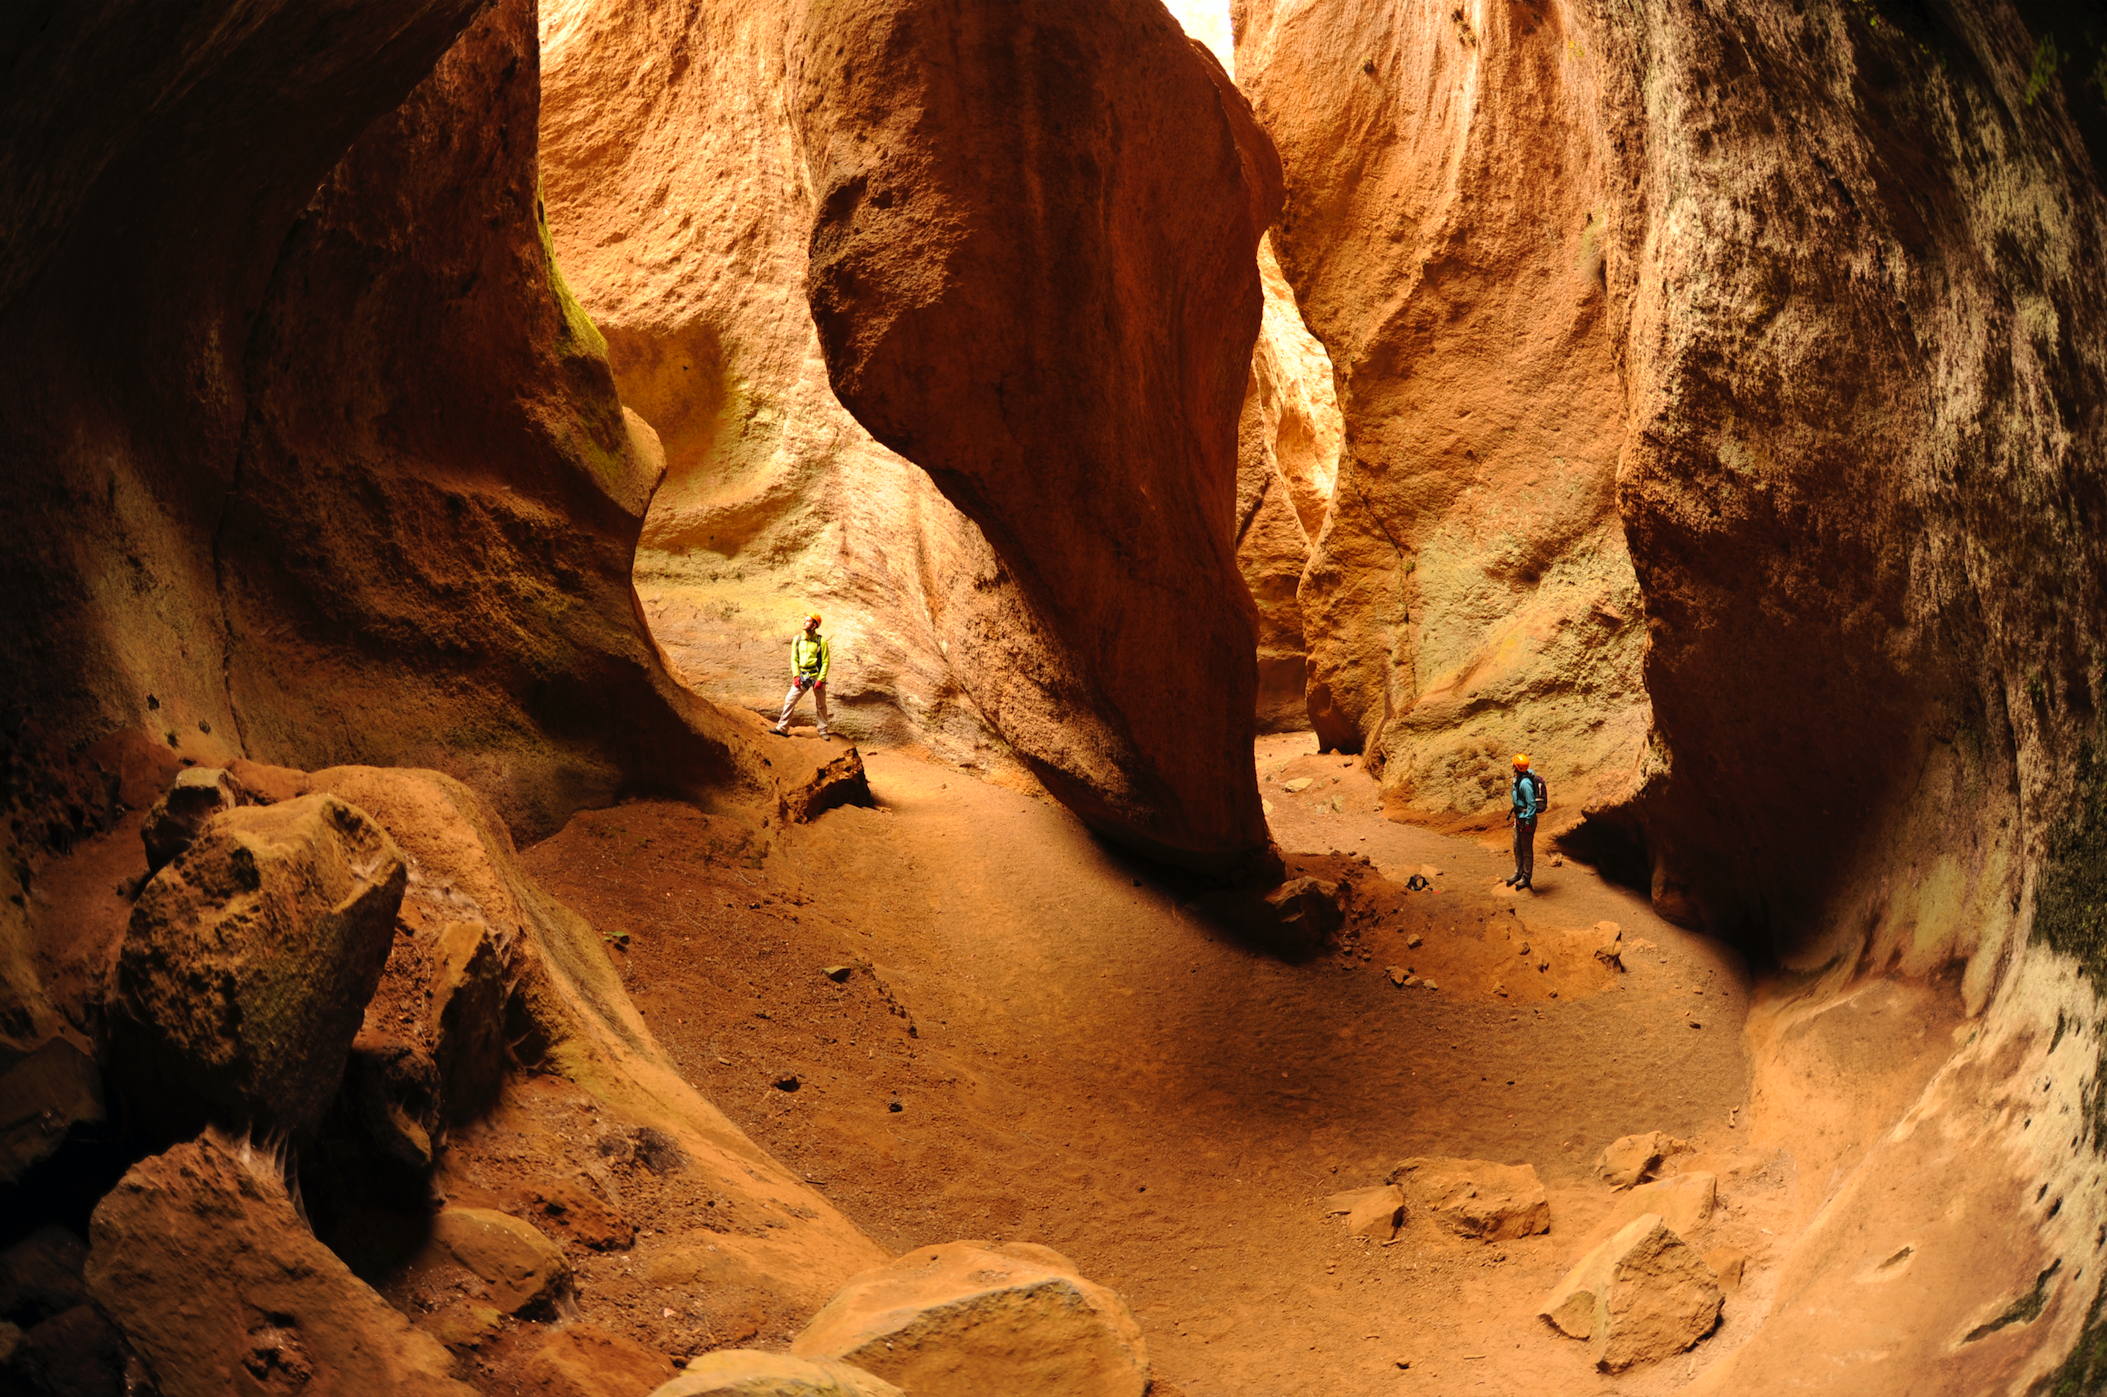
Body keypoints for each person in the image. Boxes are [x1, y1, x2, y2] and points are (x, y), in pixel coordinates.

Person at [773, 613, 831, 739]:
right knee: (790, 699)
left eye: (808, 621)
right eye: (805, 620)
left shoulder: (821, 641)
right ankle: (782, 728)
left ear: (814, 625)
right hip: (803, 675)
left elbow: (826, 661)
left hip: (816, 675)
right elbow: (794, 659)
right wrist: (796, 675)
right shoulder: (798, 639)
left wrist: (820, 679)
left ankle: (822, 730)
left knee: (821, 704)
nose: (804, 623)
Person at [1505, 753, 1544, 890]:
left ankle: (1526, 877)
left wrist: (1528, 823)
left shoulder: (1525, 783)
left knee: (1526, 849)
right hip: (1519, 818)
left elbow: (1532, 804)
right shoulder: (1518, 778)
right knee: (1517, 846)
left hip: (1526, 819)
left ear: (1516, 766)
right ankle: (1518, 873)